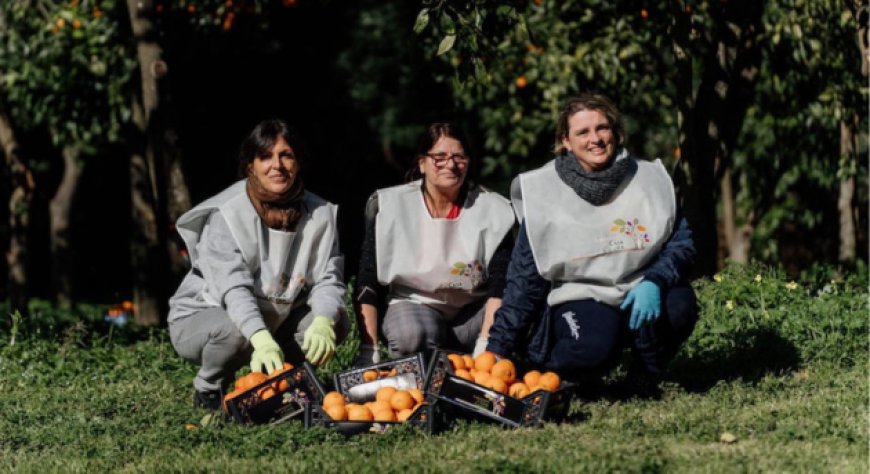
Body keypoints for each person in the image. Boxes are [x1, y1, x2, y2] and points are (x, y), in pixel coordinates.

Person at [486, 93, 698, 395]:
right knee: (593, 347)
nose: (595, 139)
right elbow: (524, 280)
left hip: (639, 289)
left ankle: (644, 375)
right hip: (578, 297)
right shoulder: (544, 191)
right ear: (566, 141)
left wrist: (655, 281)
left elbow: (682, 245)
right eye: (582, 132)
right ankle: (550, 374)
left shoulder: (650, 179)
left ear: (615, 131)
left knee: (680, 304)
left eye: (602, 128)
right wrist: (497, 349)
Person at [168, 119, 348, 409]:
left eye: (286, 155)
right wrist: (260, 338)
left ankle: (284, 383)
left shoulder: (321, 213)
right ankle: (209, 390)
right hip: (205, 315)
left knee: (336, 320)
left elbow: (329, 279)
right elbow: (233, 289)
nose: (277, 165)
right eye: (265, 156)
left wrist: (324, 320)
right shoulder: (227, 214)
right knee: (236, 332)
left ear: (298, 162)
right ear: (250, 166)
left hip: (273, 314)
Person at [354, 123, 516, 366]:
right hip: (415, 306)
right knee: (411, 336)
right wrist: (369, 349)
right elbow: (368, 280)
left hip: (472, 314)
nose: (450, 165)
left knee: (520, 303)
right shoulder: (389, 206)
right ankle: (432, 365)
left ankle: (460, 365)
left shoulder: (495, 210)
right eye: (439, 157)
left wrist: (486, 343)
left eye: (459, 157)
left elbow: (500, 284)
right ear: (422, 163)